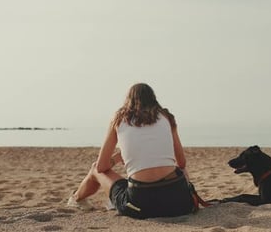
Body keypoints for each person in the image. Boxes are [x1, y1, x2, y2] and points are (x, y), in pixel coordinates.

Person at [67, 83, 195, 219]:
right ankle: (107, 201)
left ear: (128, 100)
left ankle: (76, 199)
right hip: (179, 205)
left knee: (94, 169)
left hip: (139, 206)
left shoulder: (119, 119)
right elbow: (181, 163)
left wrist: (118, 157)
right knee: (180, 171)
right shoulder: (167, 118)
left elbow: (101, 166)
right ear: (153, 98)